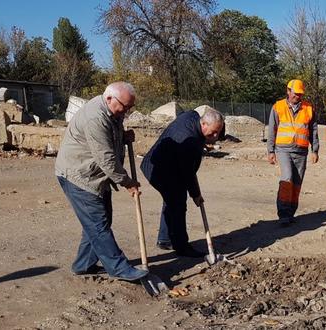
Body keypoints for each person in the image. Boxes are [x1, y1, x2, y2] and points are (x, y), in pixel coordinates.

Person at [55, 82, 147, 281]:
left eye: (130, 107)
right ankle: (118, 267)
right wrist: (128, 182)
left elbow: (109, 136)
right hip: (79, 175)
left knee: (100, 220)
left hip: (95, 174)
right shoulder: (95, 118)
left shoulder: (113, 111)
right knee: (98, 224)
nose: (127, 112)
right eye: (125, 106)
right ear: (109, 99)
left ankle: (83, 264)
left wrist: (122, 136)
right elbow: (106, 159)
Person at [140, 108, 224, 257]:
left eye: (218, 132)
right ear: (203, 124)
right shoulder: (188, 142)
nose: (215, 136)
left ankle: (165, 239)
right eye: (213, 132)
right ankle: (182, 246)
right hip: (159, 169)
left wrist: (206, 139)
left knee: (171, 200)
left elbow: (188, 112)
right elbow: (188, 174)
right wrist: (196, 195)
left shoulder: (192, 116)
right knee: (178, 202)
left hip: (168, 162)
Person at [267, 79, 319, 225]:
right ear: (288, 91)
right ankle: (283, 213)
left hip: (301, 151)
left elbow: (313, 130)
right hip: (283, 150)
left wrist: (315, 150)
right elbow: (272, 129)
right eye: (295, 94)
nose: (298, 96)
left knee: (297, 182)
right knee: (287, 178)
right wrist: (270, 151)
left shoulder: (308, 108)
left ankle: (291, 212)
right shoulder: (278, 107)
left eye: (300, 94)